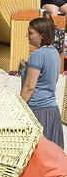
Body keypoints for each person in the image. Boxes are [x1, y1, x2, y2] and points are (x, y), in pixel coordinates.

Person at [19, 17, 64, 149]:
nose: (27, 36)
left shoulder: (37, 55)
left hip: (37, 111)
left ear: (42, 34)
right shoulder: (55, 52)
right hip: (52, 110)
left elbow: (29, 86)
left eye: (31, 33)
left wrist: (19, 107)